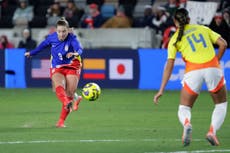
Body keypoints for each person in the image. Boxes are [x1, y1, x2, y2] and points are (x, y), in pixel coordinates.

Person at [154, 8, 228, 147]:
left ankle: (187, 124)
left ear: (175, 22)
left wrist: (161, 90)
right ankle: (212, 131)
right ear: (188, 19)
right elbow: (223, 44)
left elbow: (169, 65)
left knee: (184, 107)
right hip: (213, 68)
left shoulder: (174, 39)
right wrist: (216, 60)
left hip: (193, 71)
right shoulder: (203, 29)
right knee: (220, 104)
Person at [25, 17, 83, 128]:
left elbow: (79, 49)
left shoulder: (72, 38)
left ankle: (61, 120)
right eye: (59, 31)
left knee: (69, 92)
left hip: (72, 65)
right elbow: (42, 46)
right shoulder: (52, 38)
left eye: (64, 31)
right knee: (58, 86)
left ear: (68, 30)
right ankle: (68, 102)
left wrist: (76, 54)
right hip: (57, 66)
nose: (61, 34)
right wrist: (31, 53)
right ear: (56, 31)